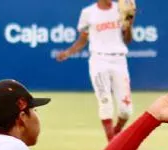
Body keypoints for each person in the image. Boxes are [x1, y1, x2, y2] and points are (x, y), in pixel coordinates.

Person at [56, 0, 135, 142]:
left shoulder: (121, 9)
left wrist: (129, 24)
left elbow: (128, 39)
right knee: (105, 102)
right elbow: (82, 40)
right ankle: (112, 144)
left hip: (119, 60)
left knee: (126, 110)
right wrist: (68, 53)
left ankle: (116, 133)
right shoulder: (88, 13)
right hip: (99, 60)